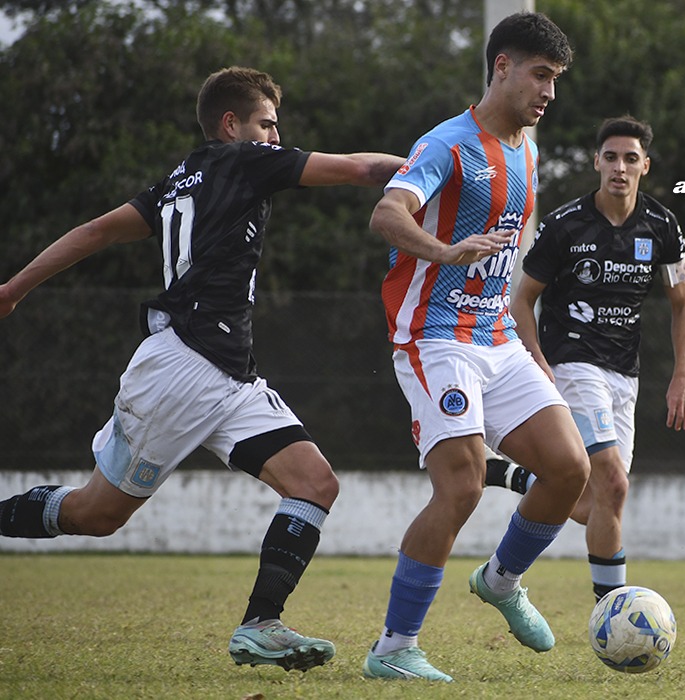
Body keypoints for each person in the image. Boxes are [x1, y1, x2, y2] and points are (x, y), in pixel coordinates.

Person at [0, 66, 406, 671]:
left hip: (228, 374)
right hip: (181, 369)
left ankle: (259, 625)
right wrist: (445, 166)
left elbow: (93, 232)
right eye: (267, 123)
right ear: (231, 124)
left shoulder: (177, 182)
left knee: (315, 483)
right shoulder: (244, 160)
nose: (275, 136)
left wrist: (13, 288)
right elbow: (362, 169)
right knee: (97, 514)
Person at [360, 12, 588, 683]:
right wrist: (443, 249)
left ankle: (500, 580)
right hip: (435, 339)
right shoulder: (448, 144)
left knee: (570, 470)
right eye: (540, 75)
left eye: (556, 80)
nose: (549, 91)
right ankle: (394, 648)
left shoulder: (528, 149)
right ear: (502, 67)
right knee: (460, 485)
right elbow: (386, 212)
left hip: (495, 338)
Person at [483, 115, 685, 603]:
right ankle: (613, 612)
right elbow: (521, 299)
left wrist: (683, 373)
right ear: (596, 162)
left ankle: (510, 476)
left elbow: (683, 303)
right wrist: (537, 360)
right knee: (613, 481)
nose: (619, 167)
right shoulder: (565, 224)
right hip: (574, 364)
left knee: (601, 499)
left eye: (629, 158)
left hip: (626, 374)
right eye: (610, 157)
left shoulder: (661, 225)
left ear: (645, 165)